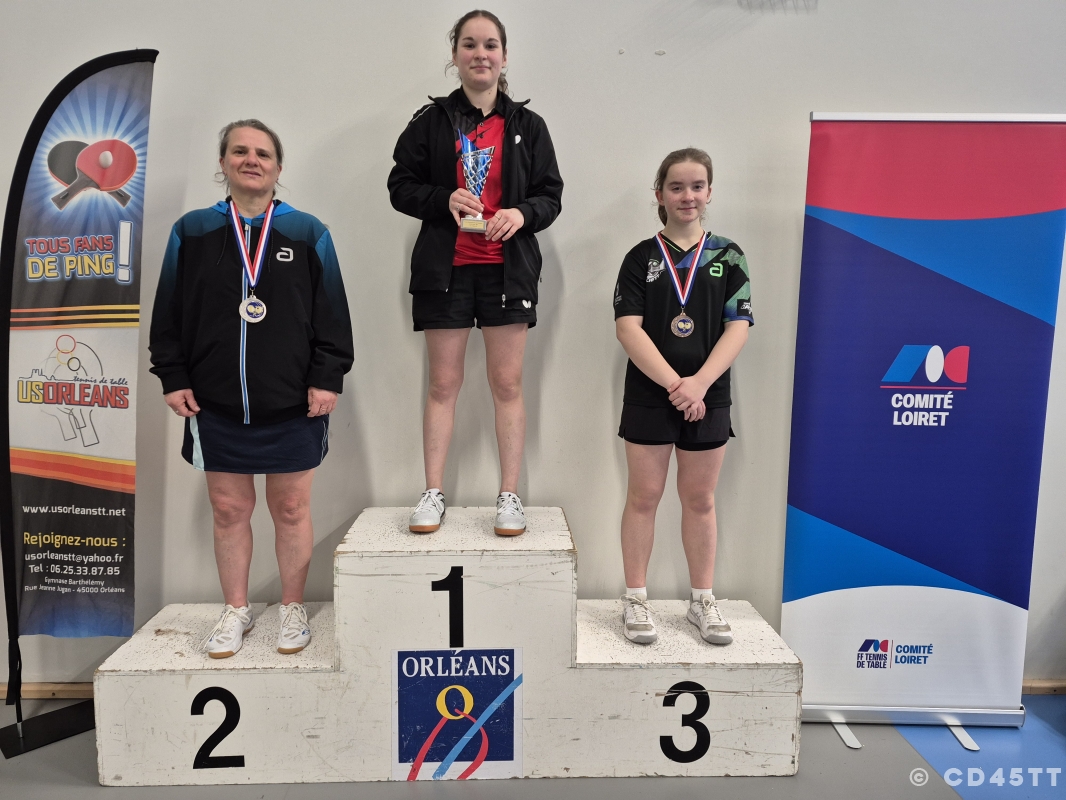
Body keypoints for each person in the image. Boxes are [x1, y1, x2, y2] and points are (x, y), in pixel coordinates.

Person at [149, 120, 354, 658]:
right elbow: (168, 311)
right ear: (223, 163)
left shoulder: (308, 232)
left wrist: (327, 377)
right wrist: (173, 375)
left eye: (263, 153)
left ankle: (291, 608)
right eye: (239, 151)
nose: (251, 160)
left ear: (278, 168)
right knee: (227, 508)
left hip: (294, 403)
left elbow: (332, 314)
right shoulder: (192, 231)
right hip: (214, 402)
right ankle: (236, 609)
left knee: (291, 508)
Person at [388, 9, 563, 537]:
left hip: (507, 272)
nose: (480, 54)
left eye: (490, 45)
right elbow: (400, 186)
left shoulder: (528, 126)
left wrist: (521, 214)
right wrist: (443, 199)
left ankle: (509, 495)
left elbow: (550, 196)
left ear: (504, 57)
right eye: (469, 44)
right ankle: (432, 492)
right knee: (443, 384)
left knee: (507, 384)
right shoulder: (431, 121)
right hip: (446, 271)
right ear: (455, 55)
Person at [612, 148, 753, 646]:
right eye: (676, 187)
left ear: (709, 192)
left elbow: (739, 326)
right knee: (643, 497)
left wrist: (699, 384)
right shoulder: (640, 257)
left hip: (708, 396)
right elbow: (628, 329)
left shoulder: (729, 256)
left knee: (699, 499)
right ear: (660, 194)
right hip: (650, 394)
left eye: (696, 186)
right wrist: (677, 384)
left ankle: (702, 600)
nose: (687, 195)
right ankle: (635, 598)